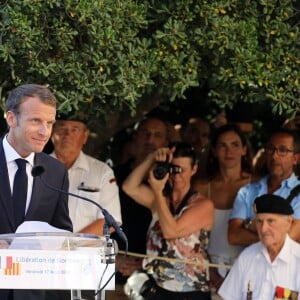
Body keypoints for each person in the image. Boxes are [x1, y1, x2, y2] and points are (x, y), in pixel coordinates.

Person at [0, 83, 73, 300]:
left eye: (49, 123)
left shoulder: (55, 171)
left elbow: (62, 230)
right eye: (36, 121)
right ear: (11, 119)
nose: (45, 132)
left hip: (32, 293)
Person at [122, 142, 214, 300]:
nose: (176, 175)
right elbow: (129, 187)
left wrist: (157, 191)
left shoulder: (203, 205)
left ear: (194, 169)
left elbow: (171, 231)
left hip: (189, 291)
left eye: (181, 170)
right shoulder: (161, 200)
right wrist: (151, 159)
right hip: (156, 287)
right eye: (172, 169)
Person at [193, 124, 253, 290]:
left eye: (235, 145)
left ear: (244, 150)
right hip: (207, 270)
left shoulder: (256, 185)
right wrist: (209, 269)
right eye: (222, 146)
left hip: (247, 269)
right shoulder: (202, 187)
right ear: (213, 151)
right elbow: (192, 236)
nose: (229, 152)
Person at [112, 118, 169, 283]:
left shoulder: (171, 183)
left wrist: (143, 264)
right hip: (113, 271)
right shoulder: (112, 176)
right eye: (145, 133)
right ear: (135, 138)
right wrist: (113, 260)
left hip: (153, 277)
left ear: (165, 142)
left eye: (157, 135)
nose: (150, 140)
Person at [50, 113, 122, 236]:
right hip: (42, 252)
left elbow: (110, 220)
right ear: (51, 133)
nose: (67, 135)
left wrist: (71, 244)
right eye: (62, 128)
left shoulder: (102, 172)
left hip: (85, 252)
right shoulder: (37, 168)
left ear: (85, 136)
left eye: (74, 129)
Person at [218, 194, 300, 299]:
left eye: (271, 221)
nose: (263, 229)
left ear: (288, 222)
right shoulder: (247, 256)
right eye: (259, 222)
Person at [228, 128, 300, 246]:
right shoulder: (247, 191)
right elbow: (233, 236)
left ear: (295, 159)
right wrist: (274, 235)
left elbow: (289, 239)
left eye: (282, 150)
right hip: (250, 264)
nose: (274, 156)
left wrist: (250, 225)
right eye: (270, 149)